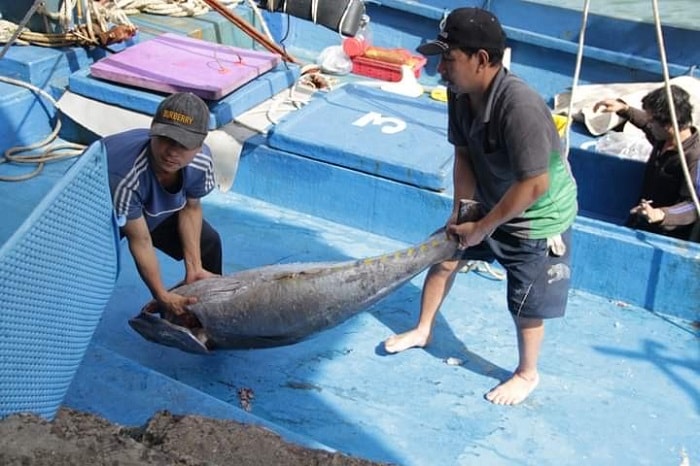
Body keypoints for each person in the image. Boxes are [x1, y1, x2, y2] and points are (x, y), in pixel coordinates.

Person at [383, 7, 578, 406]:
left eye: (448, 60)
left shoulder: (519, 107)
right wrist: (464, 213)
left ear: (482, 60)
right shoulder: (461, 93)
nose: (440, 70)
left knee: (524, 301)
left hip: (537, 216)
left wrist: (484, 226)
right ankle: (423, 329)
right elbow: (464, 156)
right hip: (492, 200)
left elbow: (536, 183)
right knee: (445, 257)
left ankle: (527, 373)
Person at [103, 91, 222, 322]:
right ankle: (170, 306)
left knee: (209, 242)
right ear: (153, 130)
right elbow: (140, 239)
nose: (171, 152)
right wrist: (161, 295)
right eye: (166, 139)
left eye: (183, 144)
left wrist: (194, 268)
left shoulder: (201, 162)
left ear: (199, 145)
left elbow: (191, 208)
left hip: (146, 207)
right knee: (95, 271)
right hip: (102, 209)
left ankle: (203, 312)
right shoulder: (125, 175)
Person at [594, 85, 699, 241]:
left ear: (669, 124)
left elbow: (694, 205)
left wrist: (662, 215)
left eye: (652, 121)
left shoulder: (694, 157)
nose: (648, 124)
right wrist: (625, 109)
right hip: (640, 220)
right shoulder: (664, 138)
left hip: (665, 237)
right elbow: (645, 124)